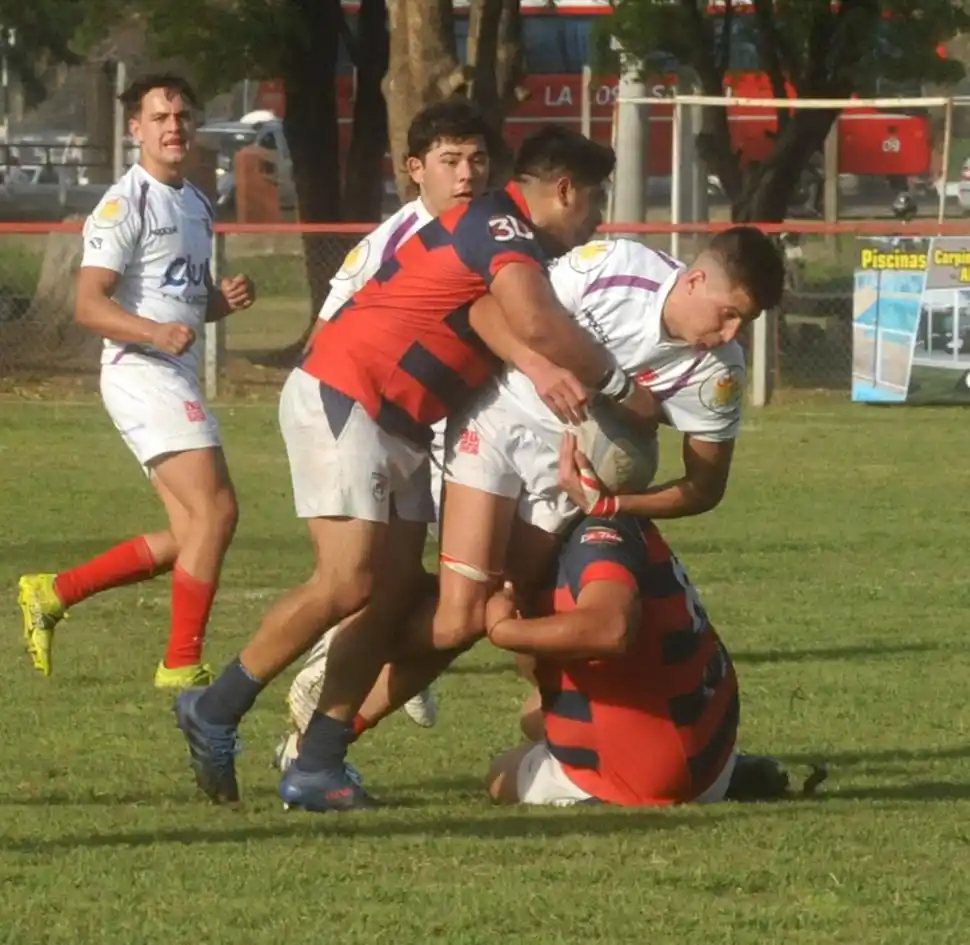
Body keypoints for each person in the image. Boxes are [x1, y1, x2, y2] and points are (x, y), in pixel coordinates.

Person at [175, 124, 662, 811]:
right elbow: (533, 319)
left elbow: (486, 311)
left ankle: (318, 761)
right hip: (351, 394)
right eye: (596, 200)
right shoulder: (499, 223)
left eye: (478, 158)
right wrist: (619, 387)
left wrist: (537, 363)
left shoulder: (504, 236)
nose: (599, 217)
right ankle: (216, 706)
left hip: (399, 421)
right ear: (565, 191)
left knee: (396, 596)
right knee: (347, 581)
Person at [279, 232, 784, 763]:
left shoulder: (719, 372)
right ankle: (327, 724)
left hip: (559, 486)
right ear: (695, 280)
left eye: (744, 322)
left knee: (470, 616)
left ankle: (321, 722)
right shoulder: (614, 267)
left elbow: (704, 488)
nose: (730, 334)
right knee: (464, 613)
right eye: (728, 314)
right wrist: (541, 366)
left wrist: (611, 506)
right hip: (495, 422)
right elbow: (490, 308)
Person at [17, 73, 256, 689]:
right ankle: (181, 664)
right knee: (218, 511)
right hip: (139, 371)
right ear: (135, 130)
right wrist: (152, 333)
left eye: (182, 116)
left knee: (191, 533)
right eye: (159, 118)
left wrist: (221, 302)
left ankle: (53, 593)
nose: (173, 127)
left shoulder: (196, 201)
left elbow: (180, 304)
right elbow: (89, 305)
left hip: (169, 370)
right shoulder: (125, 204)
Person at [287, 97, 496, 736]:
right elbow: (329, 331)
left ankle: (365, 668)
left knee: (411, 574)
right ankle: (327, 668)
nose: (467, 174)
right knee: (364, 575)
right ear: (415, 169)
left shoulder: (486, 228)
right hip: (372, 413)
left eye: (478, 159)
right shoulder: (398, 239)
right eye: (450, 160)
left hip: (425, 419)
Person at [484, 496, 740, 807]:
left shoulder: (597, 535)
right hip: (710, 756)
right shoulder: (622, 518)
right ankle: (728, 773)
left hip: (655, 769)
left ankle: (595, 792)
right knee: (533, 714)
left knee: (500, 775)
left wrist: (504, 630)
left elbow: (610, 628)